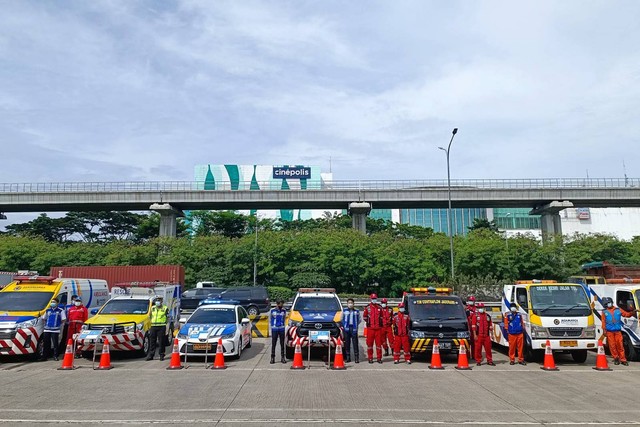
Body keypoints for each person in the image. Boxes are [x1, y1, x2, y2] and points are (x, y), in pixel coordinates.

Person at [601, 297, 634, 366]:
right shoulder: (604, 312)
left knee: (620, 345)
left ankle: (623, 359)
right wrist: (604, 330)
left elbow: (626, 314)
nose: (608, 304)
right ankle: (616, 358)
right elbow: (603, 322)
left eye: (609, 303)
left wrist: (632, 313)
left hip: (618, 331)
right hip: (610, 332)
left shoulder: (618, 310)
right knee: (612, 346)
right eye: (607, 304)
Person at [363, 293, 383, 364]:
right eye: (373, 299)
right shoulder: (367, 308)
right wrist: (369, 322)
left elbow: (382, 317)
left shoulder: (380, 308)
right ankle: (370, 358)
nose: (374, 300)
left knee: (378, 345)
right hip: (370, 329)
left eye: (375, 298)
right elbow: (365, 317)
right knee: (369, 344)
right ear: (370, 299)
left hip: (378, 329)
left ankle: (379, 358)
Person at [147, 296, 169, 361]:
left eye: (159, 300)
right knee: (152, 341)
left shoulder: (165, 308)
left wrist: (166, 325)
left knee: (161, 341)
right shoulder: (152, 308)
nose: (157, 302)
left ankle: (161, 355)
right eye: (157, 300)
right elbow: (150, 316)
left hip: (161, 326)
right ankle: (151, 355)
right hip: (153, 326)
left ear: (161, 301)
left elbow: (168, 317)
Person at [342, 298, 360, 363]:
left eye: (351, 303)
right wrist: (344, 326)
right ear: (347, 304)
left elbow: (359, 320)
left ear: (353, 304)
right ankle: (348, 357)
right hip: (346, 328)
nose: (350, 304)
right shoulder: (344, 310)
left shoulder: (356, 311)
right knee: (347, 343)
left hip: (354, 328)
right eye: (349, 303)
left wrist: (356, 325)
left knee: (355, 343)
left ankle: (356, 358)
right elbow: (341, 319)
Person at [270, 299, 287, 364]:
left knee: (282, 344)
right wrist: (272, 326)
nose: (281, 305)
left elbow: (284, 318)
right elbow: (270, 319)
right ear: (277, 304)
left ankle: (282, 357)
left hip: (281, 328)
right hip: (274, 329)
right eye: (280, 304)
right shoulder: (272, 311)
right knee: (273, 344)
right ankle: (272, 357)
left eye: (282, 304)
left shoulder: (284, 311)